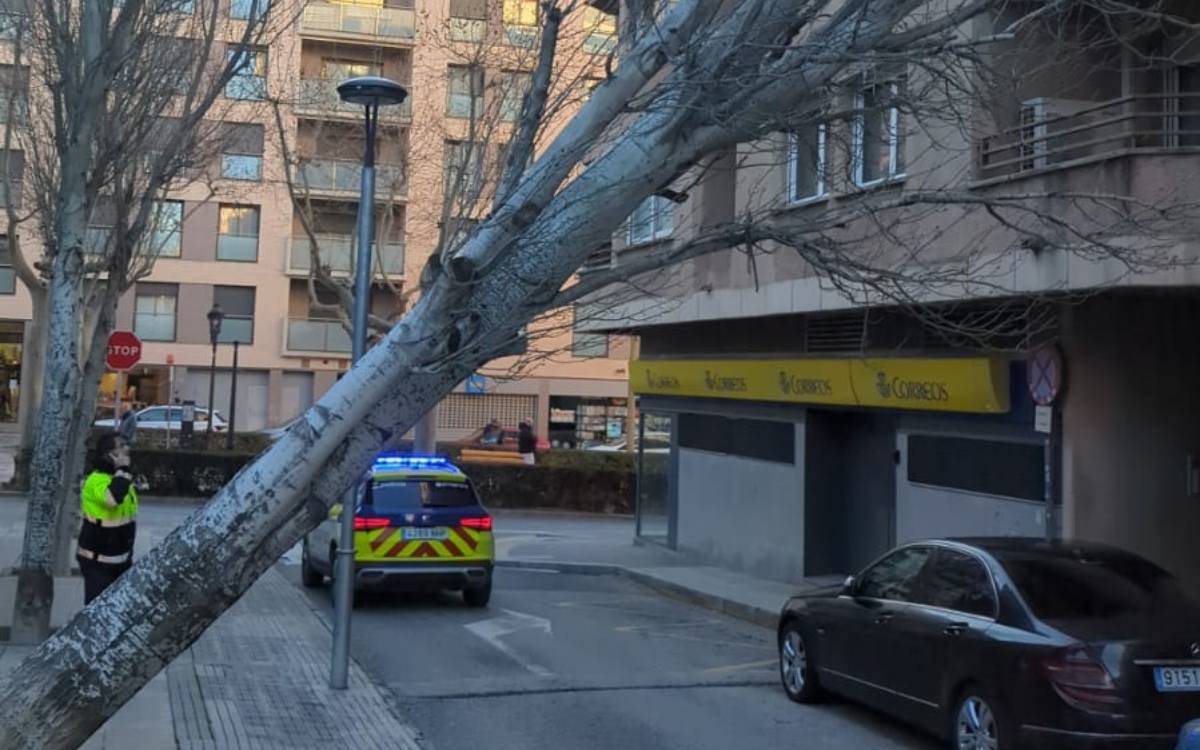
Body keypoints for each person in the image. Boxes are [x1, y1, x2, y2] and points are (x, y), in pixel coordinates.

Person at [77, 432, 138, 604]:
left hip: (121, 559)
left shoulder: (121, 478)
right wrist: (123, 469)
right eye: (121, 446)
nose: (127, 449)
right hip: (98, 562)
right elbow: (113, 499)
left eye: (126, 444)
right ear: (108, 454)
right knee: (97, 610)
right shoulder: (96, 480)